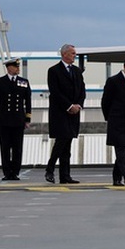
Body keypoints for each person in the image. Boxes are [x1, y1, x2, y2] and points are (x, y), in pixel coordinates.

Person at [45, 44, 86, 184]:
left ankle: (65, 175)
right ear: (64, 54)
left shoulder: (77, 71)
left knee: (67, 145)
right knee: (61, 141)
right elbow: (55, 92)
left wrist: (78, 105)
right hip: (60, 113)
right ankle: (50, 169)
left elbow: (82, 90)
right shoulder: (54, 71)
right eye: (72, 53)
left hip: (74, 113)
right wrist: (68, 106)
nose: (75, 55)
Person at [101, 57, 125, 186]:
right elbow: (105, 101)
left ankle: (116, 178)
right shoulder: (113, 81)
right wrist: (110, 117)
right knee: (120, 149)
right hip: (116, 119)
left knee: (123, 148)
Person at [0, 58, 31, 181]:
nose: (18, 69)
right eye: (16, 67)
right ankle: (7, 172)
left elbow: (27, 101)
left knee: (17, 147)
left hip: (18, 119)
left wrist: (27, 118)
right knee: (5, 147)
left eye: (18, 67)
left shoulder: (23, 82)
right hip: (4, 119)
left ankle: (15, 171)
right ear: (9, 68)